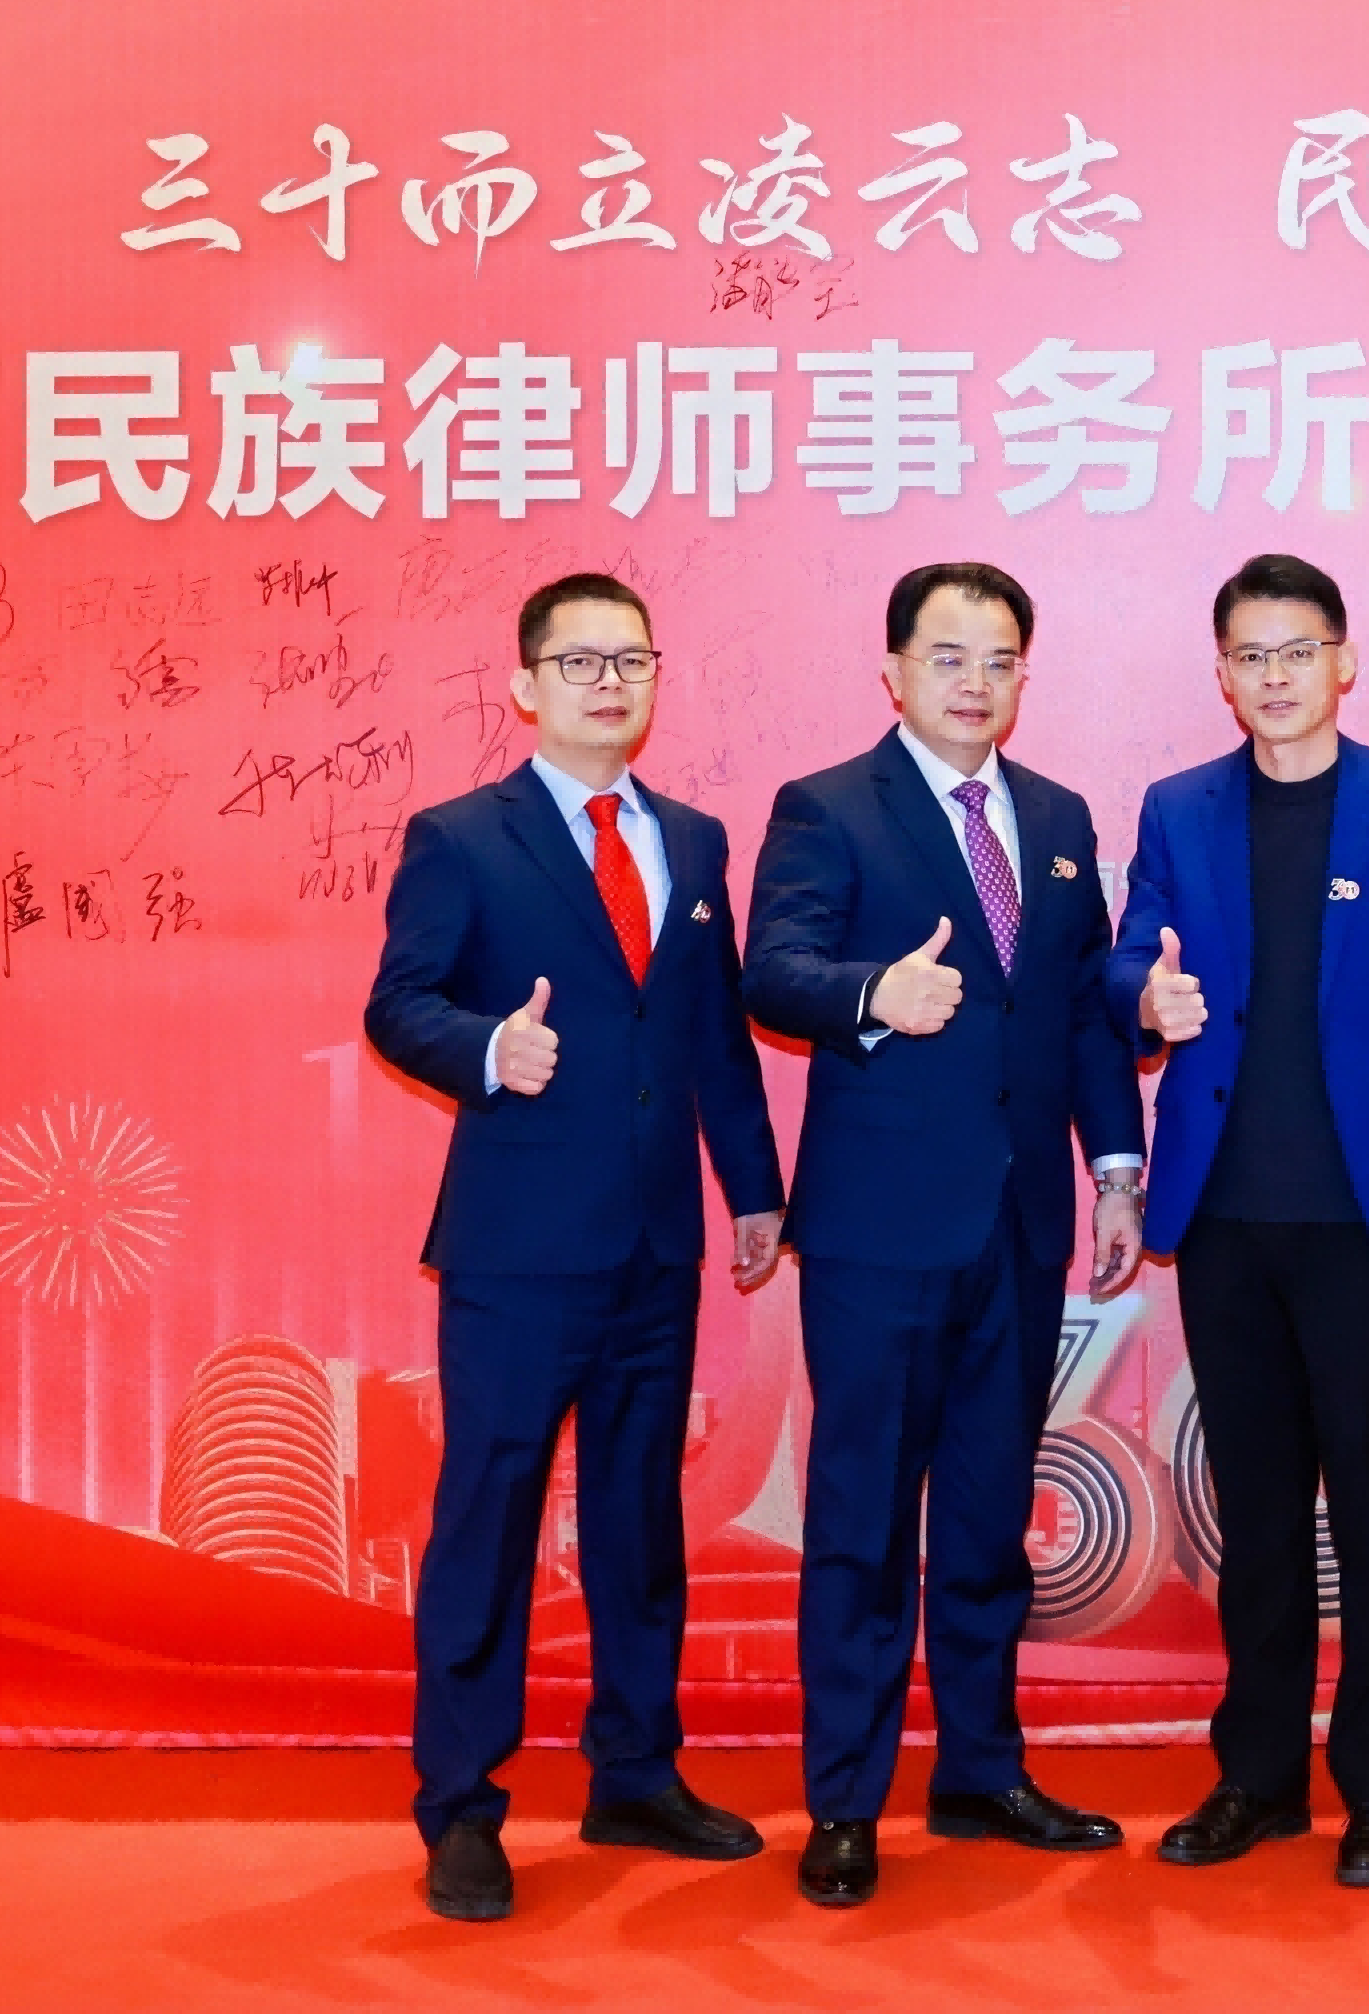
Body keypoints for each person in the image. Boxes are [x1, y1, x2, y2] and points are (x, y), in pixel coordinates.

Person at [361, 572, 788, 1925]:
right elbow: (398, 1004)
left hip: (657, 1246)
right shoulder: (461, 838)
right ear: (526, 685)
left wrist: (755, 1188)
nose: (610, 683)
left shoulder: (694, 843)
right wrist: (490, 1048)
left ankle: (636, 1774)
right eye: (581, 661)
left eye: (631, 661)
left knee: (639, 1519)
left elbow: (713, 1034)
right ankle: (460, 1805)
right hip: (519, 1248)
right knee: (488, 1519)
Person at [742, 561, 1148, 1908]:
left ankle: (980, 1771)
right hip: (880, 1231)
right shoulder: (828, 807)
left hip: (1021, 1225)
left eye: (1000, 661)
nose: (976, 684)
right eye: (949, 657)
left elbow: (1080, 1013)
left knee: (985, 1518)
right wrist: (874, 993)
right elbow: (773, 970)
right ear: (895, 671)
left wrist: (1116, 1169)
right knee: (862, 1519)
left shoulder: (1059, 817)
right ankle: (845, 1802)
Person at [1109, 554, 1369, 1891]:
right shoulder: (1178, 809)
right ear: (1222, 675)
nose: (1275, 677)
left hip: (1357, 1219)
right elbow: (1129, 956)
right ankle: (1258, 1778)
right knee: (1259, 1507)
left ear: (1344, 661)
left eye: (1298, 652)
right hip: (1224, 1214)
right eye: (1250, 656)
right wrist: (1143, 1001)